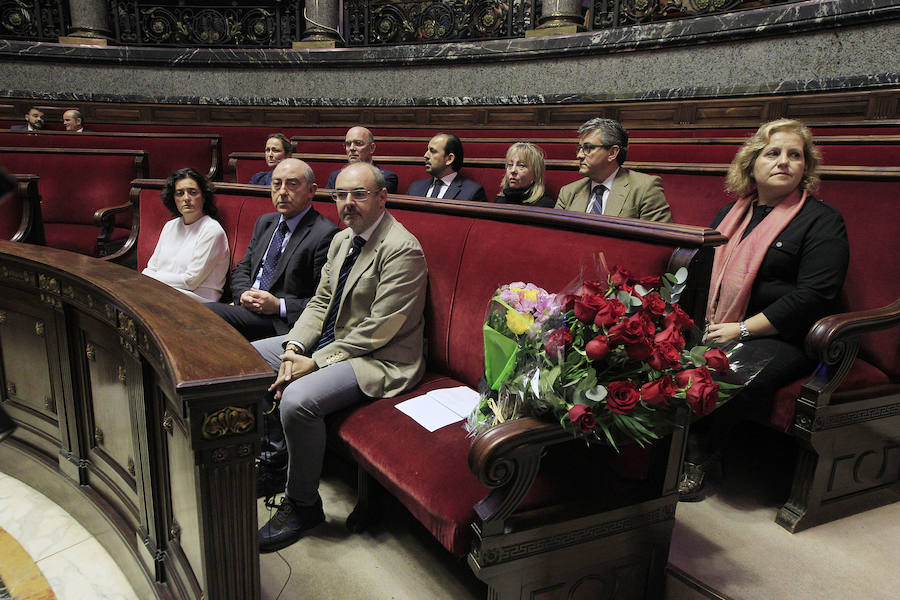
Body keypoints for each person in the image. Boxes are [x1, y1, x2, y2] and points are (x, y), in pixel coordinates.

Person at [252, 162, 427, 552]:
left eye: (359, 194)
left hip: (381, 357)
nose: (348, 203)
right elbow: (319, 304)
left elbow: (380, 328)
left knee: (298, 401)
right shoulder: (343, 239)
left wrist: (314, 362)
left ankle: (303, 505)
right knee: (247, 359)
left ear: (382, 197)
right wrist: (295, 347)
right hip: (335, 342)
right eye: (340, 195)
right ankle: (275, 462)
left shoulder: (401, 249)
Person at [680, 119, 850, 500]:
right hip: (717, 323)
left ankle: (698, 456)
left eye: (795, 155)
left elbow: (815, 295)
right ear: (751, 163)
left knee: (726, 370)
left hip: (783, 336)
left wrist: (742, 330)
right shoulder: (730, 214)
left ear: (806, 167)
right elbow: (701, 274)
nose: (785, 161)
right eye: (773, 153)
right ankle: (662, 446)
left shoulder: (822, 220)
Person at [205, 158, 338, 341]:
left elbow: (323, 301)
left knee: (207, 312)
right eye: (276, 184)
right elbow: (243, 268)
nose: (282, 192)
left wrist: (278, 305)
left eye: (292, 185)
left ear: (311, 191)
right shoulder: (265, 222)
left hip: (280, 321)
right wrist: (243, 293)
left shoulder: (325, 234)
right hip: (246, 308)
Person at [555, 118, 671, 222]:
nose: (579, 155)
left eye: (588, 148)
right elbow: (554, 235)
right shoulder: (568, 192)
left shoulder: (645, 188)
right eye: (580, 148)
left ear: (612, 153)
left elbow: (658, 241)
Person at [141, 169, 230, 301]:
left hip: (198, 300)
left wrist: (151, 278)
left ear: (204, 196)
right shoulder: (170, 226)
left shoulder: (212, 230)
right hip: (164, 292)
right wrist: (149, 277)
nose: (186, 198)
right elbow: (151, 268)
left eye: (193, 192)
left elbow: (190, 281)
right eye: (180, 193)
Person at [407, 133, 487, 201]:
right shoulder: (415, 187)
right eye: (427, 150)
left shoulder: (473, 192)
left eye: (433, 151)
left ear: (449, 159)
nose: (425, 156)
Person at [325, 126, 399, 193]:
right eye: (348, 144)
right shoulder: (335, 176)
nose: (351, 148)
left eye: (358, 143)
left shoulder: (386, 177)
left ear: (371, 148)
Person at [493, 142, 555, 208]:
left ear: (535, 173)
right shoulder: (499, 201)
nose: (513, 170)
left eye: (521, 166)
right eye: (510, 165)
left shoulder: (544, 206)